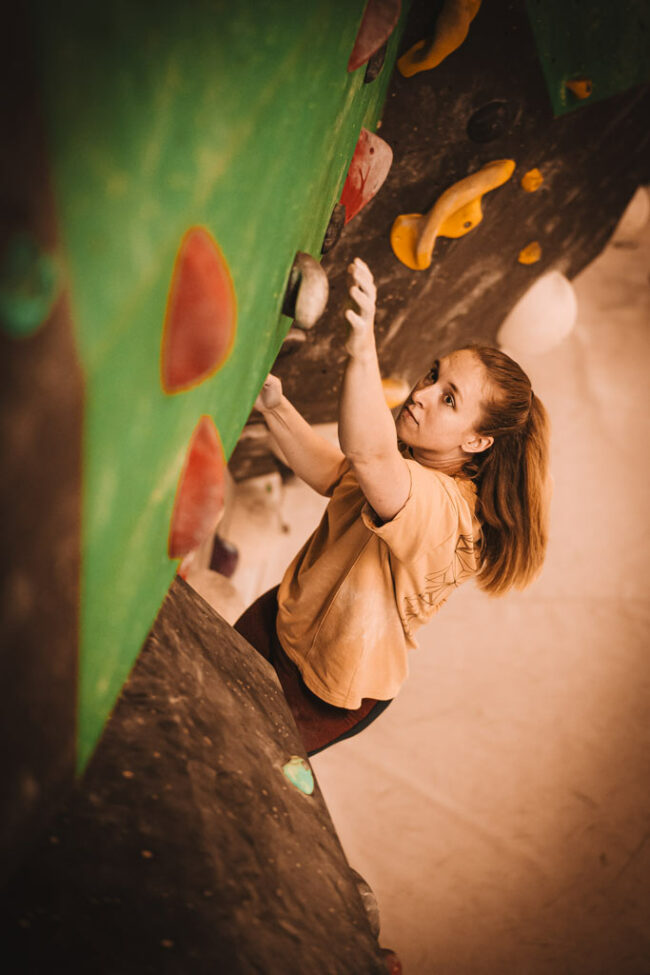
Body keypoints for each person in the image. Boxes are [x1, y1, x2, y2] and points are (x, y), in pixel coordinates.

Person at [235, 257, 551, 756]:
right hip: (280, 619)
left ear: (477, 442)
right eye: (432, 375)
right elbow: (338, 473)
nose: (422, 394)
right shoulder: (408, 465)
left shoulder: (450, 518)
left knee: (228, 754)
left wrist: (362, 349)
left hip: (321, 692)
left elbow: (369, 454)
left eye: (449, 399)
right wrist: (274, 404)